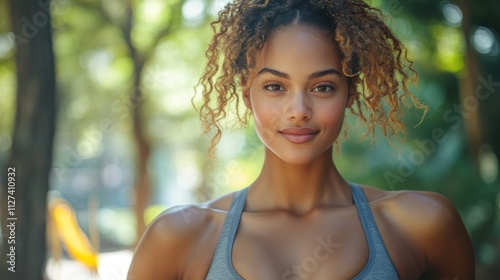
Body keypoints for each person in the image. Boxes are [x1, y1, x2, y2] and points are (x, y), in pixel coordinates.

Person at [127, 0, 475, 279]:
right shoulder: (178, 237)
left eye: (322, 87)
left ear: (350, 93)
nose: (298, 110)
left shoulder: (423, 225)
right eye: (275, 87)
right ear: (248, 94)